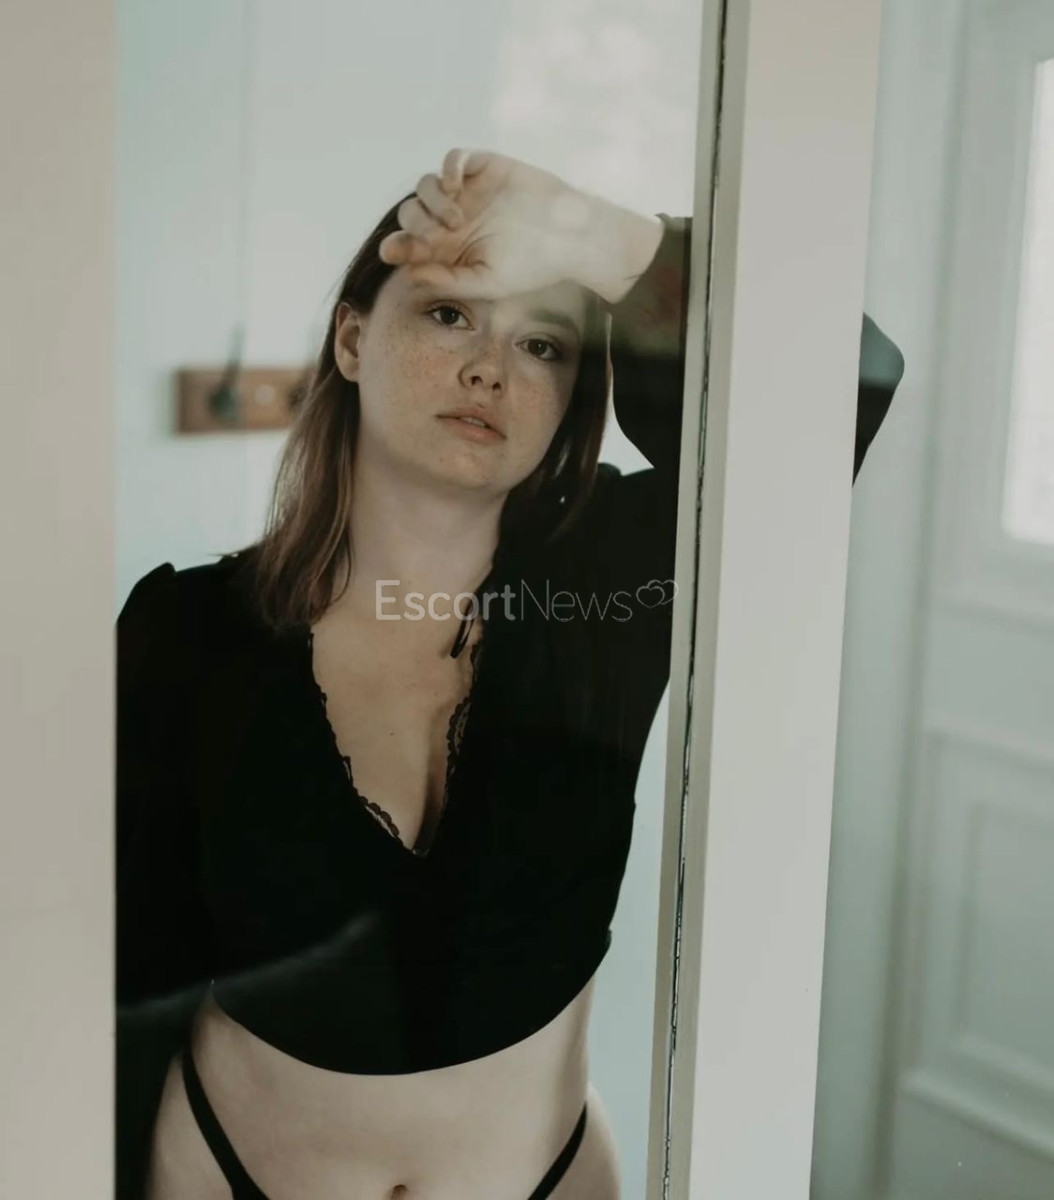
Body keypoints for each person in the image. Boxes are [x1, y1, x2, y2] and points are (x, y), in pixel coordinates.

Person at [116, 149, 903, 1200]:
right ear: (351, 340)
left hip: (550, 1178)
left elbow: (851, 383)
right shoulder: (186, 632)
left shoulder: (620, 582)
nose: (491, 368)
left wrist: (600, 237)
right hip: (223, 1172)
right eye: (449, 316)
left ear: (572, 393)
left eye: (542, 344)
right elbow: (117, 971)